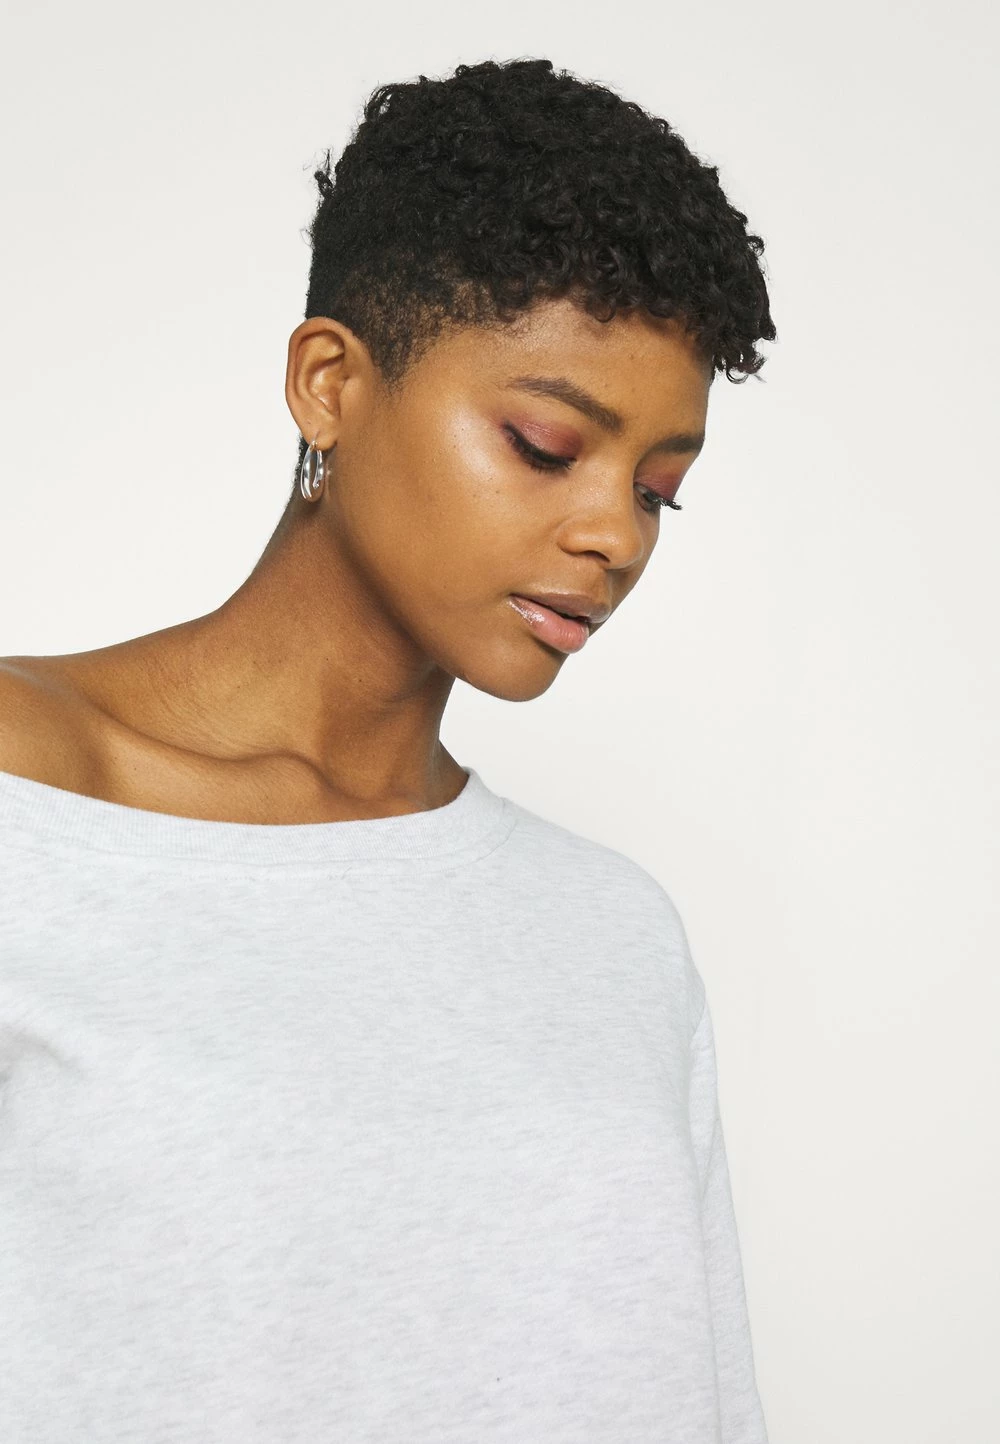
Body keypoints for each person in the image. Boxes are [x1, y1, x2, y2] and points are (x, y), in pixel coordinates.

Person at [0, 56, 775, 1444]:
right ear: (330, 385)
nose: (614, 534)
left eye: (661, 489)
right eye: (546, 444)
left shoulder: (615, 937)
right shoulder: (30, 806)